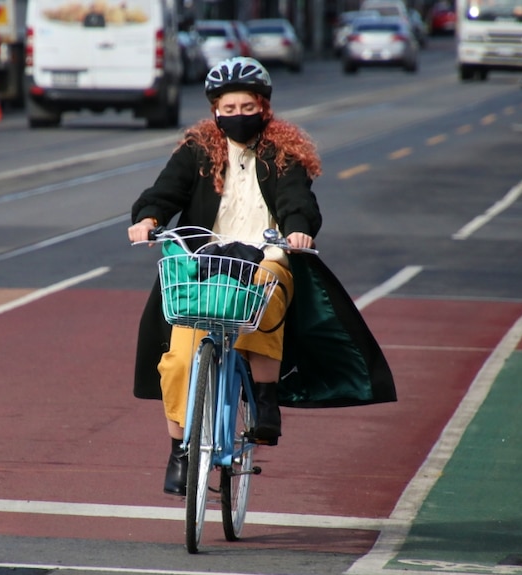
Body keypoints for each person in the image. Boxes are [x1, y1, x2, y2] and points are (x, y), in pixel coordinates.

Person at [128, 57, 397, 497]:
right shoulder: (197, 150)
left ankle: (266, 397)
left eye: (246, 107)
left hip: (265, 254)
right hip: (205, 259)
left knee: (267, 292)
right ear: (215, 111)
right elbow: (163, 191)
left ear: (264, 108)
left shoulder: (283, 153)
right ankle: (180, 450)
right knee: (177, 358)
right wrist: (148, 217)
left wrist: (298, 228)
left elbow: (297, 199)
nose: (237, 117)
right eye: (228, 109)